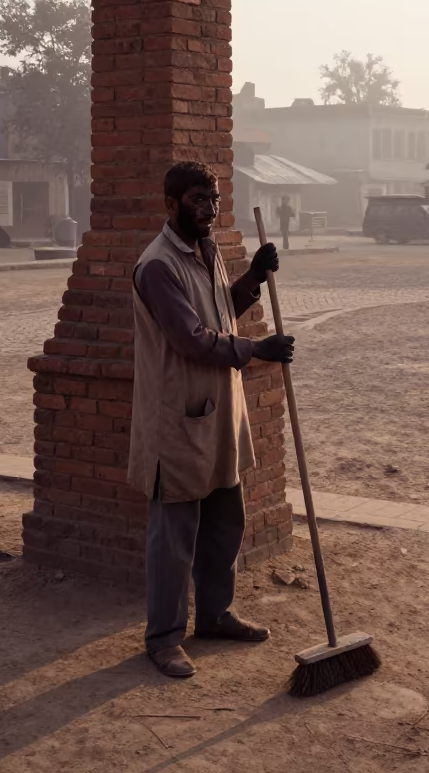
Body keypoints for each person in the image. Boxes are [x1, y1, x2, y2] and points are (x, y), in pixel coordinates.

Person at [129, 161, 295, 679]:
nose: (209, 209)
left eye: (215, 200)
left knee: (225, 524)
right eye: (199, 200)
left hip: (219, 413)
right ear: (171, 204)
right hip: (177, 420)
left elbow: (220, 312)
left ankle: (216, 615)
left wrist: (254, 279)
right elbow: (191, 339)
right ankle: (164, 638)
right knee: (174, 539)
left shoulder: (206, 250)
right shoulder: (158, 265)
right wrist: (258, 348)